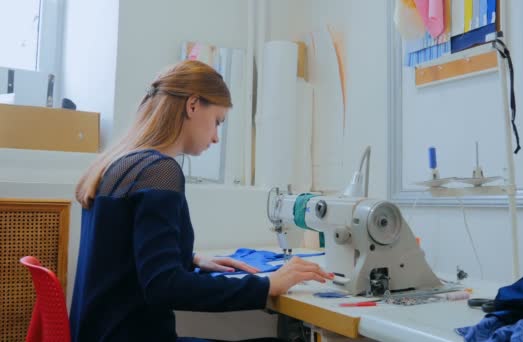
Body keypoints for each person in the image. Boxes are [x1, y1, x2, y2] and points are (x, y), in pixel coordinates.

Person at [70, 60, 333, 342]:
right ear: (193, 105)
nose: (217, 137)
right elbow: (163, 286)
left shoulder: (121, 164)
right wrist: (267, 284)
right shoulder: (159, 171)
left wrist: (191, 259)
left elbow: (122, 257)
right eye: (217, 121)